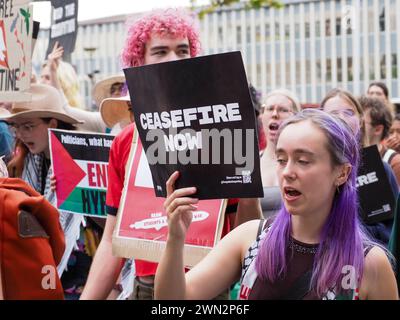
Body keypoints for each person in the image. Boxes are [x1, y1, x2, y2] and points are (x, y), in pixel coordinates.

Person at [80, 8, 262, 300]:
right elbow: (113, 242)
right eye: (161, 51)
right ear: (139, 63)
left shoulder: (223, 132)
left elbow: (247, 234)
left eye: (182, 50)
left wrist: (249, 182)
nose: (174, 60)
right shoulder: (126, 141)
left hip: (207, 287)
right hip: (145, 288)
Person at [155, 109, 398, 300]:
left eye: (303, 161)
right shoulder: (251, 237)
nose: (288, 172)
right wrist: (175, 238)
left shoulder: (370, 263)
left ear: (342, 173)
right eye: (281, 160)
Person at [0, 84, 89, 299]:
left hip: (82, 279)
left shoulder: (82, 161)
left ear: (54, 124)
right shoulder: (21, 162)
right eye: (16, 127)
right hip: (39, 274)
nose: (20, 134)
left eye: (28, 126)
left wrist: (73, 194)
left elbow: (107, 224)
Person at [321, 88, 398, 245]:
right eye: (334, 113)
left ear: (360, 120)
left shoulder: (381, 170)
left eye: (349, 112)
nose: (341, 118)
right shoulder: (311, 171)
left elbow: (393, 231)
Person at [259, 89, 300, 218]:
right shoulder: (249, 164)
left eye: (283, 110)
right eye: (270, 109)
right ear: (261, 116)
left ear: (296, 118)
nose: (275, 114)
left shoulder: (304, 162)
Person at [360, 96, 400, 185]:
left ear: (378, 129)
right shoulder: (349, 158)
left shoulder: (395, 162)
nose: (356, 125)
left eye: (361, 122)